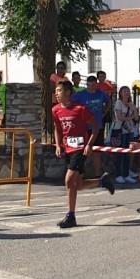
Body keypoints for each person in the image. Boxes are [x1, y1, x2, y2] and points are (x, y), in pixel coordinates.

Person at [52, 80, 115, 228]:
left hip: (79, 149)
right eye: (56, 91)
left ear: (68, 92)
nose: (56, 93)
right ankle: (101, 181)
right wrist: (58, 144)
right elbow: (57, 128)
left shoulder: (80, 109)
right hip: (67, 149)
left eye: (59, 90)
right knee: (77, 185)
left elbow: (95, 127)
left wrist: (89, 144)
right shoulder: (55, 110)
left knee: (68, 180)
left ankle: (70, 215)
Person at [73, 75, 111, 176]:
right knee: (83, 150)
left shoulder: (101, 94)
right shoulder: (80, 94)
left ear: (96, 84)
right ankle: (81, 173)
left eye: (93, 85)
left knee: (97, 151)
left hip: (98, 126)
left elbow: (108, 102)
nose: (91, 87)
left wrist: (104, 112)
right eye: (89, 85)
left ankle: (98, 174)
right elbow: (71, 103)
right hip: (85, 127)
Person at [112, 85, 139, 183]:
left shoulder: (131, 104)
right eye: (124, 91)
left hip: (129, 131)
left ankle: (126, 174)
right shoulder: (118, 103)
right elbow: (119, 117)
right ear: (120, 93)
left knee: (127, 153)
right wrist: (130, 118)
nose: (126, 93)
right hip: (120, 131)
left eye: (128, 91)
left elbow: (136, 118)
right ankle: (118, 174)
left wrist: (133, 108)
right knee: (119, 153)